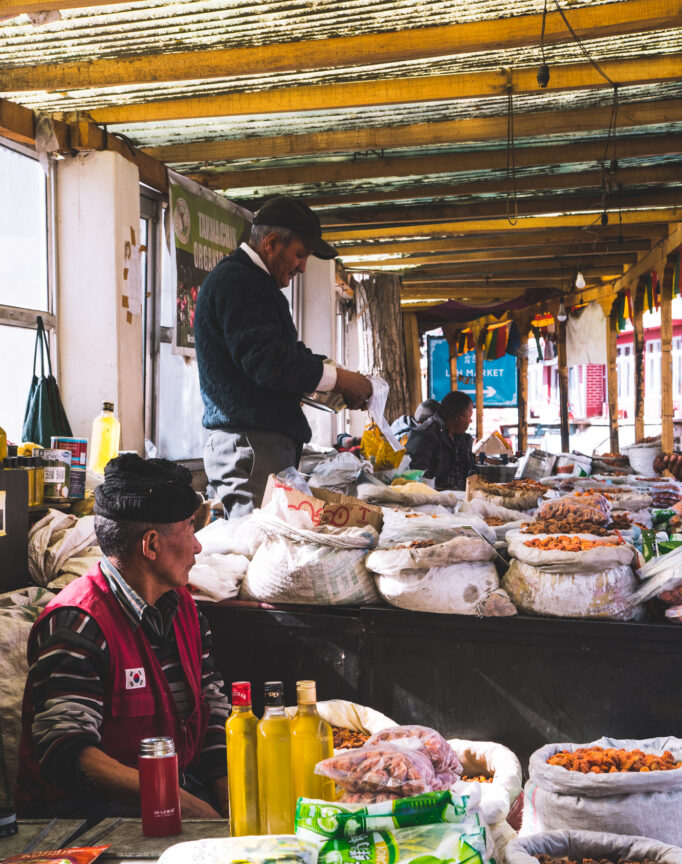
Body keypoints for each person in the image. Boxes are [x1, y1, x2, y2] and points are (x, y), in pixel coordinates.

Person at [15, 455, 230, 823]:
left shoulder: (186, 611)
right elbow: (67, 750)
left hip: (178, 797)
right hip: (86, 817)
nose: (198, 546)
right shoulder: (78, 624)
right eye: (190, 529)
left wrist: (227, 807)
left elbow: (211, 713)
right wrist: (178, 801)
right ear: (150, 545)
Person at [194, 195, 373, 517]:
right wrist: (340, 378)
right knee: (262, 550)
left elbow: (282, 354)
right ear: (272, 243)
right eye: (300, 255)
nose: (302, 267)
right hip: (253, 446)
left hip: (260, 444)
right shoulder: (240, 283)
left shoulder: (254, 283)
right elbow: (269, 362)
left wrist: (339, 386)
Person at [405, 391, 476, 491]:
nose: (470, 421)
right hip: (434, 500)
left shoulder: (463, 439)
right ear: (458, 418)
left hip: (460, 497)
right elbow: (416, 479)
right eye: (470, 416)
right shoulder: (424, 436)